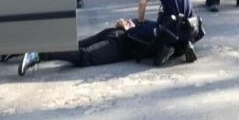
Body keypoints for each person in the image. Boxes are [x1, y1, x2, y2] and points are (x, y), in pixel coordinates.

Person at [17, 18, 160, 75]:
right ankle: (37, 53)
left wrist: (129, 24)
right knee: (85, 56)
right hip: (122, 41)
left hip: (117, 33)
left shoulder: (164, 21)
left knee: (76, 47)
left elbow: (141, 22)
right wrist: (129, 27)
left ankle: (35, 48)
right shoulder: (169, 33)